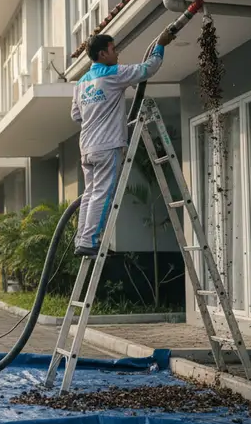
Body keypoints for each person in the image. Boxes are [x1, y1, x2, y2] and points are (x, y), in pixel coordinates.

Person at [70, 30, 174, 257]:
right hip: (107, 146)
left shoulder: (81, 83)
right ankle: (90, 241)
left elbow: (76, 116)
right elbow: (148, 68)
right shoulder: (113, 74)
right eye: (113, 49)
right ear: (102, 53)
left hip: (87, 148)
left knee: (90, 193)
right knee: (102, 193)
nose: (117, 53)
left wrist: (97, 109)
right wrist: (161, 45)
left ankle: (82, 239)